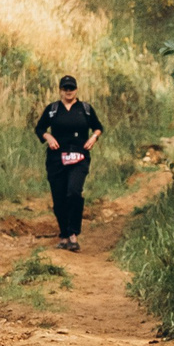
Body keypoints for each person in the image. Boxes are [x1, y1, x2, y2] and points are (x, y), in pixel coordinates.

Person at [33, 75, 104, 250]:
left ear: (76, 90)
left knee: (73, 192)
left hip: (79, 156)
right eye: (65, 88)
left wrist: (94, 138)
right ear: (60, 90)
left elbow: (98, 127)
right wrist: (48, 137)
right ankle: (64, 234)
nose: (68, 92)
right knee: (59, 196)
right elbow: (39, 127)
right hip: (57, 158)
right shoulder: (53, 109)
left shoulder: (85, 109)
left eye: (71, 88)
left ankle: (73, 233)